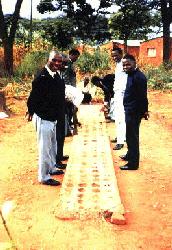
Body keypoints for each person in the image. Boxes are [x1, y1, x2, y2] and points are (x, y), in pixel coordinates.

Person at [27, 51, 65, 186]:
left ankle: (51, 168)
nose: (57, 63)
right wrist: (33, 112)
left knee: (52, 146)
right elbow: (33, 98)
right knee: (45, 148)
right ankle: (43, 176)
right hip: (44, 117)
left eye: (60, 61)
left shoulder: (55, 76)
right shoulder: (42, 77)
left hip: (53, 118)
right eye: (54, 60)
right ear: (48, 60)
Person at [120, 54, 149, 170]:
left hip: (134, 111)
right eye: (124, 65)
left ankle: (133, 164)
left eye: (128, 64)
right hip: (129, 110)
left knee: (132, 137)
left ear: (134, 63)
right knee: (129, 135)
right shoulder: (132, 75)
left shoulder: (139, 77)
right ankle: (129, 155)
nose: (125, 67)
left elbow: (143, 96)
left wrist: (145, 111)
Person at [111, 47, 127, 150]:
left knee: (120, 118)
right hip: (117, 93)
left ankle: (120, 141)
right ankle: (121, 136)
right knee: (118, 117)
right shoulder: (118, 64)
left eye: (116, 55)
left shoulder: (125, 64)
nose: (114, 57)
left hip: (123, 94)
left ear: (121, 54)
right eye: (112, 56)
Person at [63, 49, 81, 135]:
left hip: (70, 88)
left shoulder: (70, 63)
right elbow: (66, 77)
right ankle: (68, 125)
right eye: (76, 57)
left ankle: (70, 123)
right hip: (68, 89)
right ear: (71, 55)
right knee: (69, 107)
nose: (76, 59)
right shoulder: (67, 63)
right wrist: (70, 89)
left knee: (70, 107)